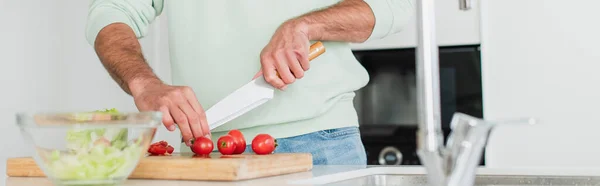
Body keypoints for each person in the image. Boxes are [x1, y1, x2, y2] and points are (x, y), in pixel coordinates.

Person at [85, 0, 415, 165]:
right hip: (207, 154)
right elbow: (111, 11)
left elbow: (394, 7)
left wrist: (304, 26)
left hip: (322, 147)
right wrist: (143, 82)